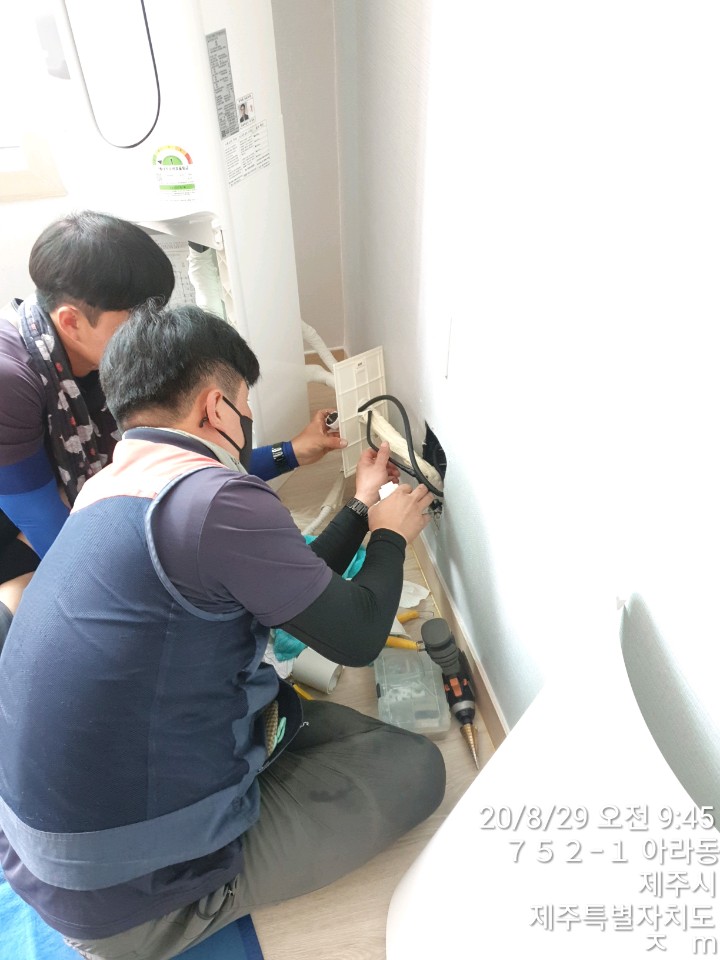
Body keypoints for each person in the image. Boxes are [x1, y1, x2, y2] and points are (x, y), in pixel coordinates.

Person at [0, 302, 445, 960]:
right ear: (216, 408)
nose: (248, 420)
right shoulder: (215, 497)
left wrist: (358, 504)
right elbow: (355, 637)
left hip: (44, 849)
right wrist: (388, 538)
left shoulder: (107, 487)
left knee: (306, 716)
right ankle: (189, 905)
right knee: (417, 769)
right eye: (245, 405)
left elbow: (286, 585)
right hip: (124, 903)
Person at [0, 211, 345, 647]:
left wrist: (292, 451)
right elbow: (59, 539)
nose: (150, 330)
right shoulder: (11, 381)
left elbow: (180, 473)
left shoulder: (109, 362)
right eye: (135, 317)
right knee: (39, 620)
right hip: (22, 529)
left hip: (67, 509)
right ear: (71, 321)